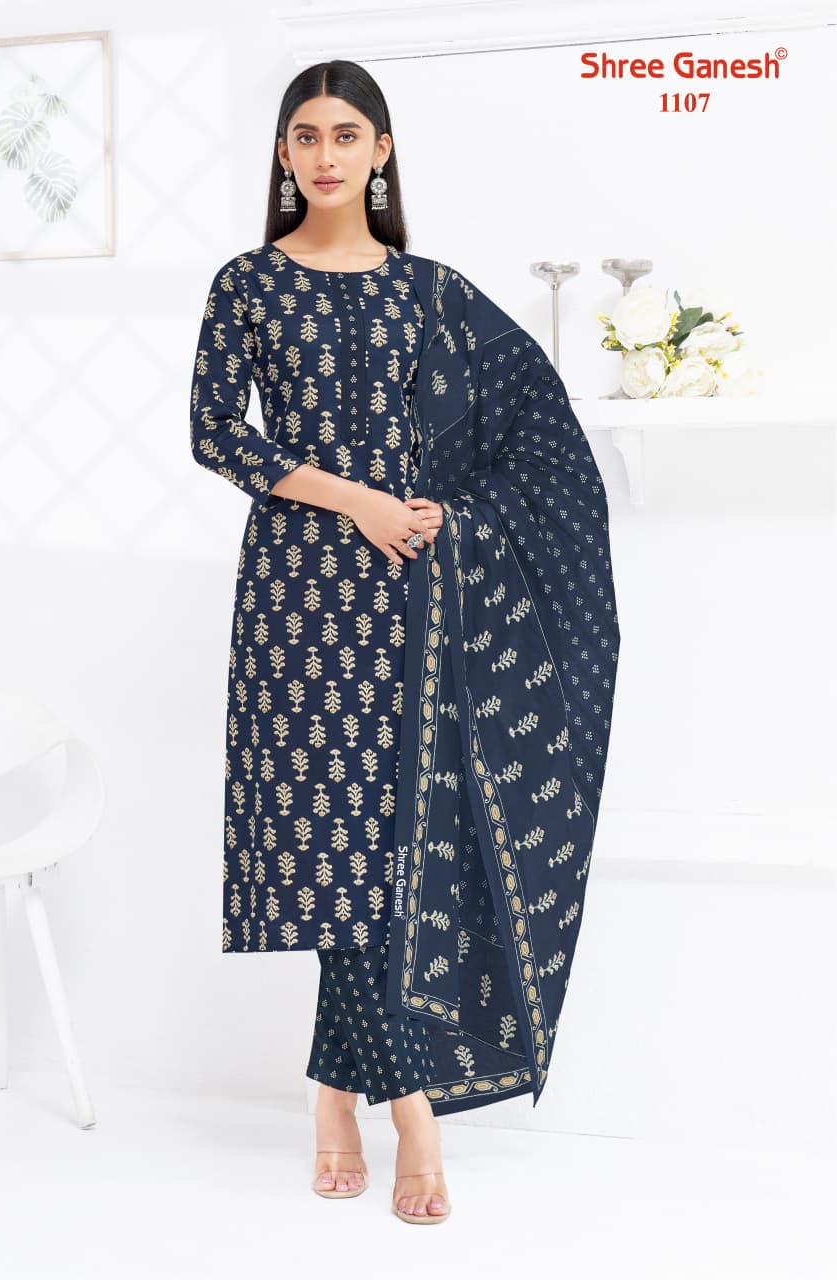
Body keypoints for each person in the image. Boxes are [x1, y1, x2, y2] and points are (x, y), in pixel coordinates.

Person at [190, 59, 620, 1228]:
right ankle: (413, 1113)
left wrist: (444, 512)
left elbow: (538, 440)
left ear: (380, 151)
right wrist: (358, 499)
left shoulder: (432, 293)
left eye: (346, 134)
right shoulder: (246, 283)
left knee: (390, 854)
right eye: (304, 135)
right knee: (332, 847)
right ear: (283, 154)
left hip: (416, 597)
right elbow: (215, 432)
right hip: (297, 595)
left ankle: (337, 1093)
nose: (323, 155)